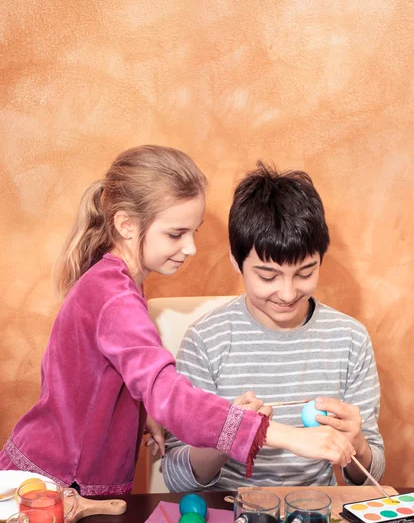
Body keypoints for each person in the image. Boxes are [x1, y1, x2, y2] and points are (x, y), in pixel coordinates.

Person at [0, 147, 355, 496]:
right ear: (126, 225)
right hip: (51, 486)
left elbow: (104, 378)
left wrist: (144, 410)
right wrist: (288, 436)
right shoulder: (115, 296)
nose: (191, 248)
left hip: (69, 481)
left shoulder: (117, 284)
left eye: (193, 233)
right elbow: (168, 391)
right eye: (175, 234)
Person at [163, 163, 385, 492]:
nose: (287, 293)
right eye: (268, 276)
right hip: (233, 508)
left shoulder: (350, 339)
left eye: (305, 272)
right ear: (236, 261)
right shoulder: (205, 340)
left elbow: (370, 475)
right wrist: (228, 432)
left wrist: (359, 445)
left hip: (314, 508)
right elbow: (175, 477)